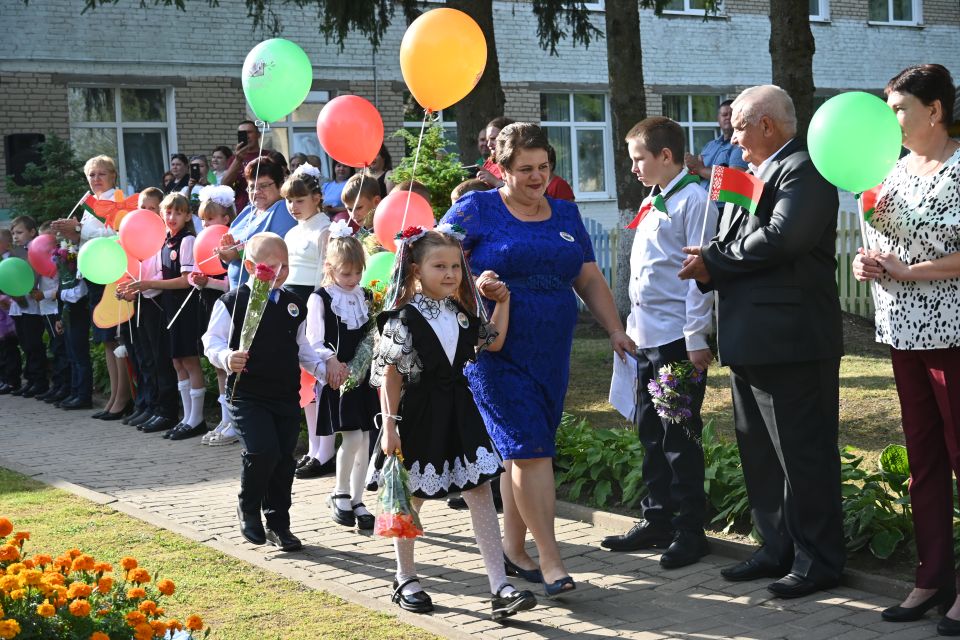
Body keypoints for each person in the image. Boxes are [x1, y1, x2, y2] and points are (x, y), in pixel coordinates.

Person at [441, 122, 634, 597]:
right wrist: (472, 284)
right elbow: (431, 257)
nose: (536, 177)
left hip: (551, 351)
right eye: (524, 168)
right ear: (500, 169)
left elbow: (588, 278)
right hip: (495, 349)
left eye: (543, 167)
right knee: (530, 450)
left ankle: (514, 549)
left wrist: (614, 328)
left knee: (523, 453)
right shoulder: (476, 207)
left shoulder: (566, 214)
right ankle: (551, 560)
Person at [678, 85, 844, 598]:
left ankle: (818, 560)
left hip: (793, 340)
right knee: (761, 453)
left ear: (767, 125)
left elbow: (784, 236)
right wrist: (708, 259)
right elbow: (733, 238)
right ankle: (776, 548)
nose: (730, 135)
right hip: (750, 337)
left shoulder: (805, 168)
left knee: (803, 453)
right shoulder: (752, 171)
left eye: (738, 126)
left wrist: (716, 261)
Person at [372, 226, 537, 620]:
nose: (449, 274)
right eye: (438, 266)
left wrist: (504, 301)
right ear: (415, 269)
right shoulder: (401, 319)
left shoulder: (461, 313)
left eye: (455, 267)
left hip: (460, 412)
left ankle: (499, 585)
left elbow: (492, 341)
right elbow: (391, 374)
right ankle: (405, 577)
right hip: (418, 414)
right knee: (409, 497)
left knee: (480, 490)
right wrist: (390, 425)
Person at [851, 64, 960, 635]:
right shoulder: (890, 170)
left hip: (954, 332)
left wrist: (910, 270)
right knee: (924, 461)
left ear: (935, 110)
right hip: (901, 331)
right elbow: (878, 241)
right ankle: (932, 576)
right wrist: (865, 263)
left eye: (899, 108)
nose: (890, 118)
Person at [599, 117, 716, 568]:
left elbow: (698, 280)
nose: (632, 168)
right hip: (645, 337)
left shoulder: (694, 201)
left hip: (675, 340)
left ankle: (690, 529)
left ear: (665, 156)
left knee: (678, 437)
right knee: (650, 432)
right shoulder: (655, 198)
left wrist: (695, 337)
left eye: (637, 159)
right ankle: (658, 518)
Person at [202, 232, 327, 552]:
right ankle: (248, 507)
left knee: (285, 460)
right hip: (248, 395)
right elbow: (211, 342)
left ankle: (278, 523)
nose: (279, 273)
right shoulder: (232, 301)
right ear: (249, 265)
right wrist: (227, 358)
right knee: (262, 451)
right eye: (270, 267)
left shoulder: (294, 305)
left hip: (285, 393)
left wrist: (326, 369)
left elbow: (304, 350)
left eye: (284, 266)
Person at [306, 224, 379, 527]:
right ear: (330, 268)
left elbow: (371, 333)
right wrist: (332, 362)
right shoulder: (321, 298)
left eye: (358, 273)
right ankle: (340, 493)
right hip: (339, 377)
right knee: (351, 437)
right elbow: (313, 340)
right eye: (346, 274)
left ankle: (357, 497)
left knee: (365, 438)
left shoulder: (366, 296)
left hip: (363, 378)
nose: (353, 280)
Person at [49, 155, 132, 419]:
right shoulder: (88, 204)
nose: (96, 179)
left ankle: (124, 398)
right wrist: (72, 233)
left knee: (115, 338)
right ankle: (114, 397)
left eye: (101, 174)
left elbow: (117, 233)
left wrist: (80, 229)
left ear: (113, 175)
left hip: (113, 275)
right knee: (106, 341)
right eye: (91, 175)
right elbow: (87, 237)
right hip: (95, 277)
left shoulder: (118, 200)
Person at [125, 193, 206, 440]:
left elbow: (185, 280)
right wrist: (137, 287)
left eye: (178, 213)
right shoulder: (164, 241)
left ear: (188, 215)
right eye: (168, 212)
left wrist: (147, 283)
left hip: (185, 307)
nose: (172, 217)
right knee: (176, 362)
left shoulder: (187, 240)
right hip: (169, 307)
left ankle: (197, 419)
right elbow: (160, 278)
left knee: (190, 361)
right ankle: (186, 417)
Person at [278, 163, 336, 478]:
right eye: (290, 200)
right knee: (304, 384)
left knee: (319, 379)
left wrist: (314, 313)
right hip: (292, 309)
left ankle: (326, 451)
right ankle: (314, 447)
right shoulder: (291, 231)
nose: (293, 206)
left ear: (316, 197)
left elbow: (323, 277)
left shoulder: (324, 229)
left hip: (313, 308)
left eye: (300, 200)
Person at [118, 188, 180, 433]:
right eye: (142, 208)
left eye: (152, 208)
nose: (146, 213)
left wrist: (143, 287)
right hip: (141, 301)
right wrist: (128, 288)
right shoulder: (137, 235)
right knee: (146, 358)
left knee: (161, 358)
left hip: (157, 303)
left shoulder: (164, 239)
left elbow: (158, 273)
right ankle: (151, 405)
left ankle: (166, 410)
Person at [190, 185, 237, 446]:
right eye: (203, 219)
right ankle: (224, 417)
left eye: (211, 218)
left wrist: (208, 282)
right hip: (210, 304)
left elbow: (231, 284)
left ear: (225, 219)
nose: (205, 223)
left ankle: (233, 420)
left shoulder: (228, 243)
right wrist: (199, 281)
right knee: (218, 365)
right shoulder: (205, 243)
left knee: (227, 363)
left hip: (227, 305)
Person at [218, 157, 297, 290]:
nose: (256, 192)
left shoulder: (283, 209)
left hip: (263, 293)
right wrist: (225, 254)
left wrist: (238, 253)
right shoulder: (247, 211)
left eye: (263, 186)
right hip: (236, 292)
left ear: (280, 185)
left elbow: (278, 257)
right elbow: (230, 260)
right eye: (252, 187)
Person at [8, 216, 54, 398]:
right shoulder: (18, 252)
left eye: (19, 232)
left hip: (35, 303)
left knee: (34, 344)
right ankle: (32, 380)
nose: (15, 237)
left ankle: (40, 380)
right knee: (26, 343)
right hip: (20, 303)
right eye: (13, 233)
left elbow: (36, 275)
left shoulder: (37, 250)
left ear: (32, 232)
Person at [684, 99, 749, 183]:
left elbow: (734, 179)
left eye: (732, 114)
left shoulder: (741, 145)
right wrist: (691, 167)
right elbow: (696, 173)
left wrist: (701, 169)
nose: (728, 117)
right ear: (718, 119)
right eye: (724, 115)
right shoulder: (710, 145)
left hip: (722, 196)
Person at [221, 120, 270, 211]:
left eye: (249, 132)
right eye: (242, 133)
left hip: (267, 207)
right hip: (243, 210)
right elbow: (224, 184)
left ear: (258, 135)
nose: (246, 136)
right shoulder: (233, 159)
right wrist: (238, 160)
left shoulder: (269, 156)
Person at [476, 117, 515, 188]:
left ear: (509, 138)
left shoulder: (518, 162)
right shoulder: (491, 161)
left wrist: (495, 181)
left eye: (493, 139)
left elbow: (520, 193)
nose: (488, 144)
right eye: (488, 140)